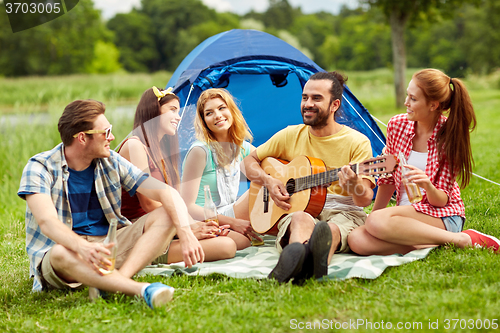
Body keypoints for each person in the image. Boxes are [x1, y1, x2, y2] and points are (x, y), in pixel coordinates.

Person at [18, 99, 204, 309]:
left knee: (168, 212)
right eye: (106, 133)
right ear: (82, 138)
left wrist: (186, 231)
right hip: (65, 253)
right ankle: (139, 289)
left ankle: (115, 282)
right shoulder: (39, 167)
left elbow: (165, 192)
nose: (112, 138)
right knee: (62, 252)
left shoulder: (111, 160)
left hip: (108, 247)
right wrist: (83, 247)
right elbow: (47, 222)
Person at [347, 68, 500, 255]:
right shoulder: (397, 125)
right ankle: (427, 243)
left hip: (442, 215)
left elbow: (442, 201)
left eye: (413, 98)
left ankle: (461, 238)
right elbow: (387, 180)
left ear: (433, 105)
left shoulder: (449, 136)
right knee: (357, 240)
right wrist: (374, 214)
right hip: (403, 216)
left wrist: (427, 186)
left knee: (376, 222)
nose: (406, 102)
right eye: (407, 96)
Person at [243, 71, 376, 283]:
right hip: (299, 208)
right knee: (299, 219)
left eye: (316, 98)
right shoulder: (289, 134)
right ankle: (304, 260)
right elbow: (249, 161)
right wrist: (268, 180)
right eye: (305, 97)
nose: (308, 104)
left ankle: (300, 263)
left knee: (330, 229)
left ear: (334, 105)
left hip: (344, 209)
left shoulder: (357, 142)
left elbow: (364, 200)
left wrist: (353, 185)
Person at [118, 87, 237, 262]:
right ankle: (148, 255)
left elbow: (178, 201)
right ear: (154, 111)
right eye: (172, 110)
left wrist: (196, 225)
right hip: (140, 231)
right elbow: (149, 204)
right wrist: (190, 225)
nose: (179, 117)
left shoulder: (164, 152)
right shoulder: (134, 146)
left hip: (169, 226)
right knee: (226, 246)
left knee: (236, 240)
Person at [181, 88, 262, 250]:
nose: (217, 115)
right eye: (209, 113)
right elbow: (188, 205)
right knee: (258, 190)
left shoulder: (243, 148)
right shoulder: (200, 151)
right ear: (204, 121)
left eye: (221, 108)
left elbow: (271, 168)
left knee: (269, 183)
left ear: (231, 110)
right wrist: (233, 222)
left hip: (228, 211)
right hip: (204, 218)